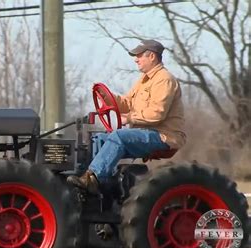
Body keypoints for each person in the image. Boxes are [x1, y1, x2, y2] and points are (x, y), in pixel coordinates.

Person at [67, 39, 186, 193]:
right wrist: (107, 97)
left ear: (152, 57)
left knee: (118, 137)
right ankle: (85, 179)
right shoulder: (144, 80)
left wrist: (129, 118)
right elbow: (127, 103)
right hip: (145, 133)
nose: (136, 59)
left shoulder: (164, 79)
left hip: (163, 136)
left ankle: (93, 179)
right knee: (98, 139)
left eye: (140, 55)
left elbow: (157, 114)